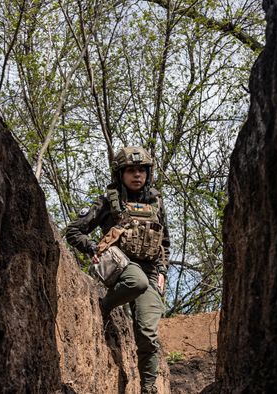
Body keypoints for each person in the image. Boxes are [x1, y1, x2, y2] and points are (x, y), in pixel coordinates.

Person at [65, 146, 170, 394]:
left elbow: (165, 242)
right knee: (137, 282)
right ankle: (103, 307)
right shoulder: (107, 202)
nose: (137, 175)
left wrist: (163, 271)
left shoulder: (156, 203)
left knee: (147, 333)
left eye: (142, 170)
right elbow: (73, 231)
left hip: (151, 270)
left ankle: (148, 388)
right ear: (120, 173)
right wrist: (92, 249)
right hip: (117, 265)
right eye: (131, 170)